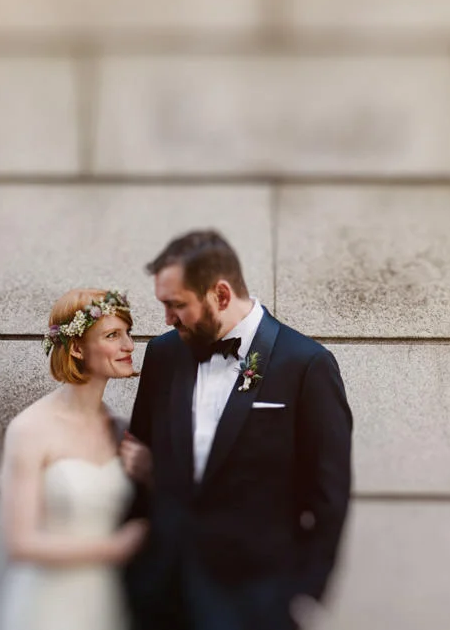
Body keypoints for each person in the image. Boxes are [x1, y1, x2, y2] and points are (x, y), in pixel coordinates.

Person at [121, 229, 352, 630]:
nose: (167, 318)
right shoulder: (162, 355)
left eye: (177, 305)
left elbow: (330, 495)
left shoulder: (306, 365)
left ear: (221, 295)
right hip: (162, 596)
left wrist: (302, 595)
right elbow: (142, 465)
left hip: (257, 603)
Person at [0, 289, 146, 630]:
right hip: (48, 606)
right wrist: (116, 548)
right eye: (112, 335)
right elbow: (20, 543)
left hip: (109, 601)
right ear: (76, 347)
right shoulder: (30, 429)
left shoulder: (120, 429)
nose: (129, 346)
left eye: (128, 333)